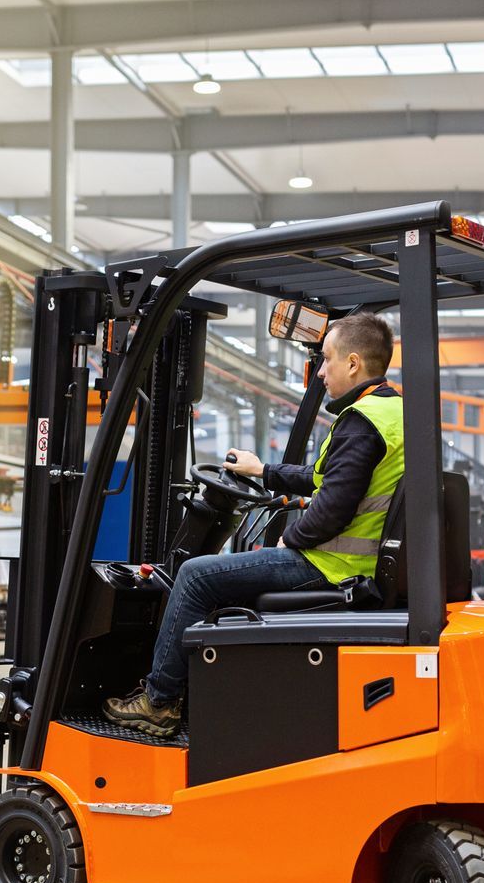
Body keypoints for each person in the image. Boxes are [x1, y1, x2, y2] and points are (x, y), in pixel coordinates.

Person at [104, 311, 405, 737]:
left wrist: (291, 539)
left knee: (193, 577)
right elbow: (325, 478)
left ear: (353, 363)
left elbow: (333, 508)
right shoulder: (393, 414)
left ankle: (159, 700)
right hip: (355, 568)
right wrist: (261, 470)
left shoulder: (360, 422)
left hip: (332, 568)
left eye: (327, 360)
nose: (321, 373)